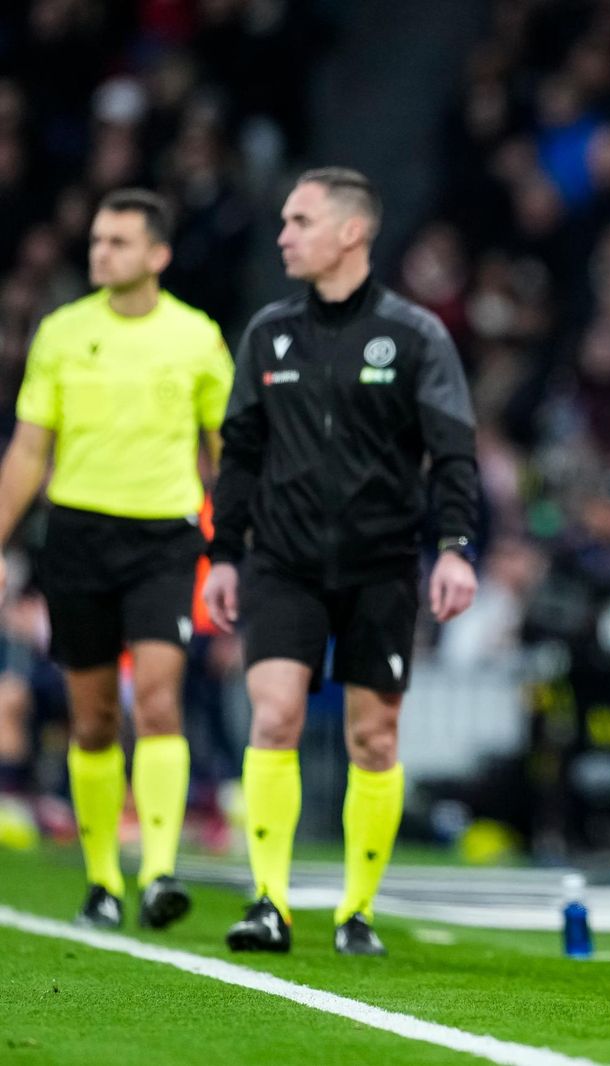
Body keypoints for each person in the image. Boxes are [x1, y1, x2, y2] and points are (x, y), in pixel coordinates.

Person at [204, 168, 479, 957]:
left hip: (382, 567)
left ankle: (355, 910)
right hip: (282, 564)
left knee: (374, 740)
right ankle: (268, 901)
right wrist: (224, 554)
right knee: (275, 717)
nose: (283, 234)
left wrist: (454, 549)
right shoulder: (268, 333)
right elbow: (241, 455)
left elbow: (452, 452)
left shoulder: (417, 336)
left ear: (350, 233)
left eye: (299, 220)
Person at [0, 188, 234, 929]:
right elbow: (30, 449)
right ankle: (103, 879)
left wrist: (234, 545)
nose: (101, 252)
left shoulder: (197, 338)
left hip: (165, 536)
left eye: (119, 242)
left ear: (158, 255)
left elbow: (228, 452)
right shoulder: (63, 333)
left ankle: (160, 870)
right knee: (93, 719)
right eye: (98, 240)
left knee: (160, 699)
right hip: (77, 535)